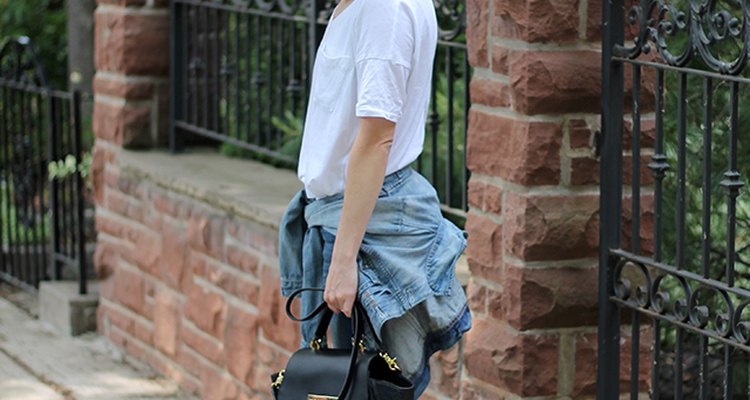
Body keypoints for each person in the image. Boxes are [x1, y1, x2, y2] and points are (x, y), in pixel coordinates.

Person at [278, 0, 471, 397]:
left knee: (362, 387)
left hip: (364, 225)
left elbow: (378, 135)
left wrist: (345, 259)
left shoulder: (384, 8)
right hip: (351, 216)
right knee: (354, 387)